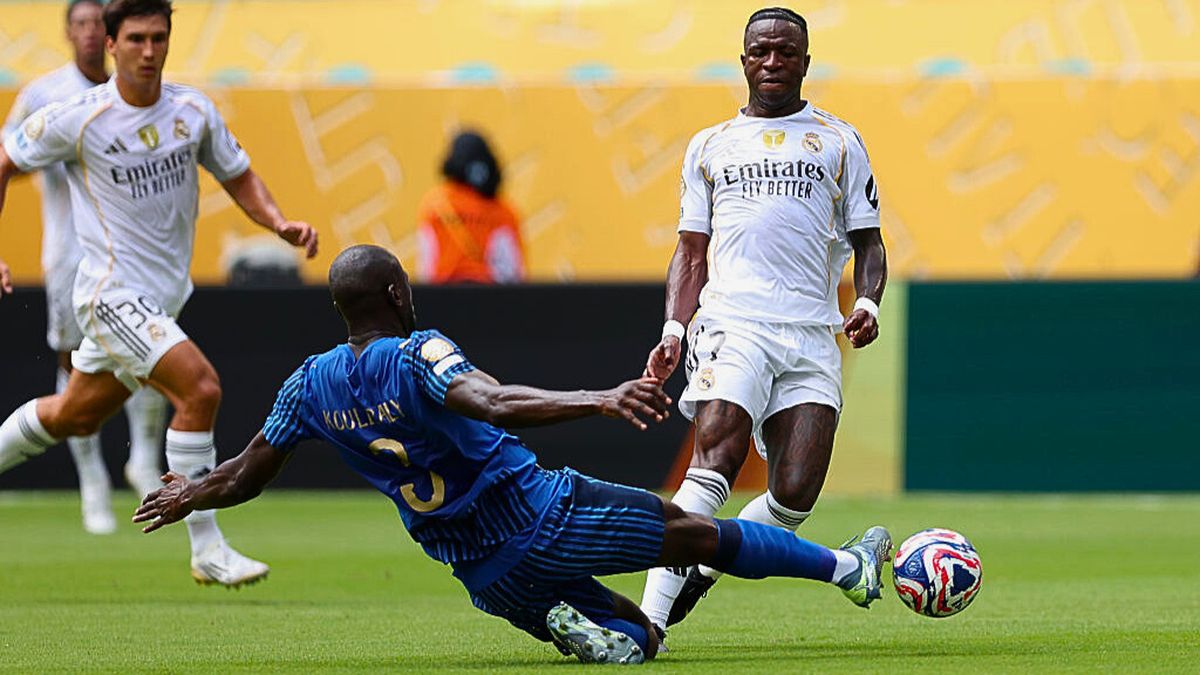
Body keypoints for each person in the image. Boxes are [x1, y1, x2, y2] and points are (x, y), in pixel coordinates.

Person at [131, 244, 892, 664]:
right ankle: (847, 570)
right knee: (697, 533)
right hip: (541, 514)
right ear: (396, 294)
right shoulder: (417, 352)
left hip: (482, 572)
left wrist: (188, 493)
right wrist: (600, 398)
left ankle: (585, 629)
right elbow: (493, 403)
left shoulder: (309, 384)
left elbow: (246, 473)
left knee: (645, 640)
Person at [0, 0, 318, 586]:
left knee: (72, 414)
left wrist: (277, 223)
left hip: (162, 297)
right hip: (108, 295)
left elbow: (237, 173)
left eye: (159, 38)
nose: (149, 51)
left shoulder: (193, 112)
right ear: (111, 44)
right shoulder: (78, 117)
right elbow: (4, 161)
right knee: (200, 388)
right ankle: (208, 547)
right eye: (136, 39)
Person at [638, 6, 889, 635]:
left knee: (794, 496)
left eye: (786, 52)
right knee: (715, 459)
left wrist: (866, 303)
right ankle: (646, 622)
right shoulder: (710, 145)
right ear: (744, 60)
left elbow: (870, 243)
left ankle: (703, 566)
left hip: (811, 332)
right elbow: (690, 251)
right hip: (734, 323)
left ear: (806, 62)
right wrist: (674, 329)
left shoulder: (840, 142)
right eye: (762, 51)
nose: (773, 61)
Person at [0, 0, 170, 535]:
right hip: (71, 253)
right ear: (68, 33)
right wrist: (54, 150)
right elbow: (9, 156)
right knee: (74, 364)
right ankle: (92, 481)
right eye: (81, 25)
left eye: (98, 23)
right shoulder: (45, 95)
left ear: (113, 34)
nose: (91, 33)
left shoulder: (142, 93)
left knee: (155, 347)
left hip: (135, 252)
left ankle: (143, 460)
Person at [415, 130, 526, 284]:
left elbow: (427, 265)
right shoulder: (503, 211)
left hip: (444, 293)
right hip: (489, 294)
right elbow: (512, 272)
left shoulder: (435, 204)